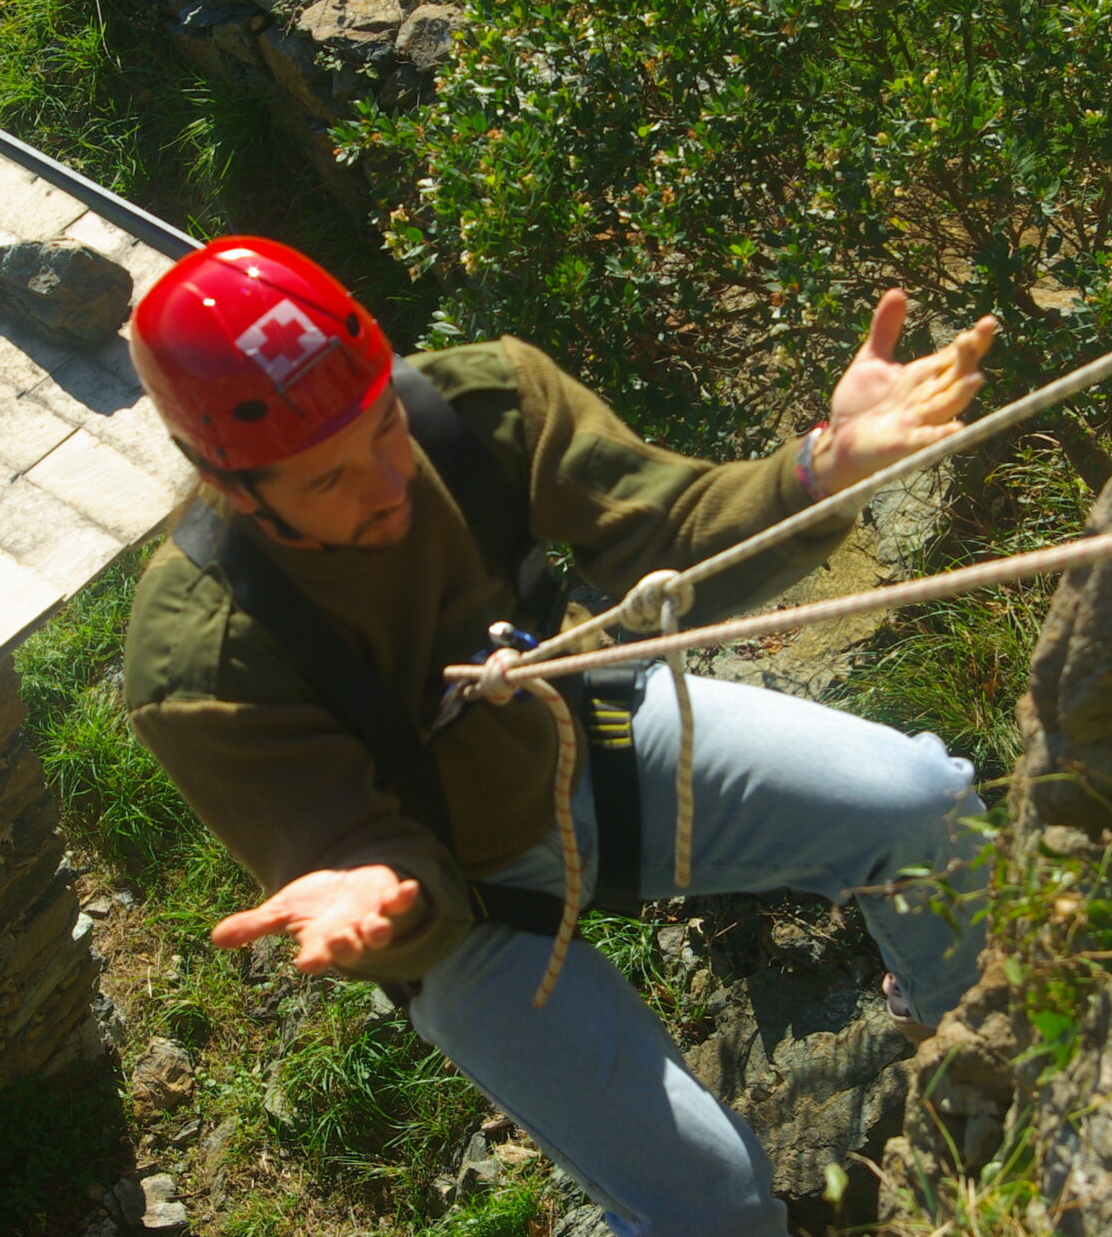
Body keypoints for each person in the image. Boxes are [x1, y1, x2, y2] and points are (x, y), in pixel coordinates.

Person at [122, 236, 999, 1236]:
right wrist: (372, 885)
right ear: (235, 490)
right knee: (713, 1209)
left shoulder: (478, 411)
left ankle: (967, 1044)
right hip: (455, 903)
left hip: (583, 744)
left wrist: (816, 470)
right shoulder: (200, 665)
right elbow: (347, 849)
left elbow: (666, 533)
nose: (385, 484)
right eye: (327, 481)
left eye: (379, 430)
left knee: (919, 803)